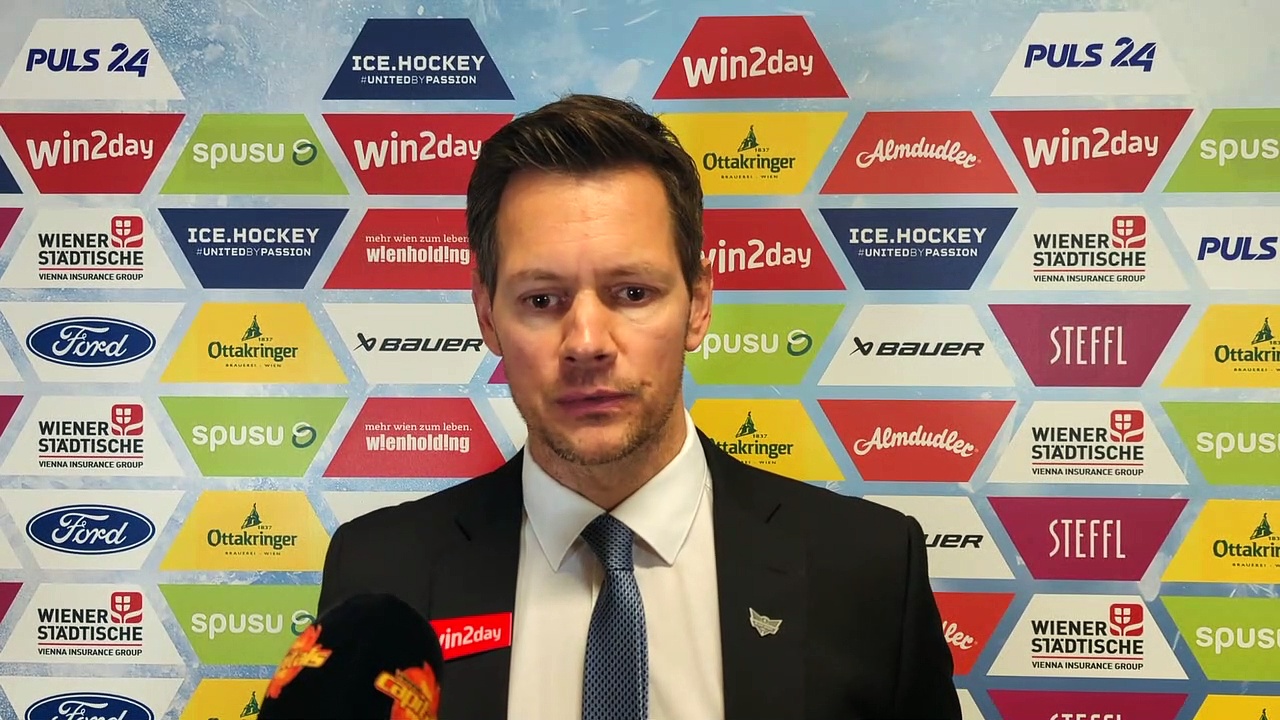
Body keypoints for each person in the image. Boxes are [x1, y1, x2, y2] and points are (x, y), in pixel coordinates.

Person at [317, 93, 962, 720]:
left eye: (632, 292)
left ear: (699, 305)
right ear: (487, 315)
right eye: (541, 300)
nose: (587, 343)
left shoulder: (870, 567)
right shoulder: (380, 573)